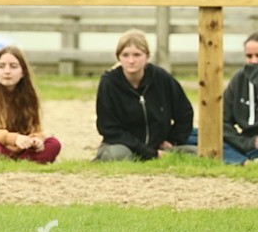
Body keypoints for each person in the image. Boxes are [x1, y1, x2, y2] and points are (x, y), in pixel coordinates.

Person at [93, 29, 195, 161]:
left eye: (137, 55)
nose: (131, 60)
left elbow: (185, 113)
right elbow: (109, 128)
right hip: (124, 145)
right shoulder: (109, 83)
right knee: (118, 155)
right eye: (125, 55)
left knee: (199, 153)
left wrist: (172, 140)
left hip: (159, 145)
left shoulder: (161, 78)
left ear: (147, 56)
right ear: (118, 57)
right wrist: (148, 153)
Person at [209, 31, 258, 165]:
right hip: (246, 142)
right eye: (249, 56)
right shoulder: (239, 79)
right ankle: (242, 160)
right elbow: (222, 121)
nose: (254, 61)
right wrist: (246, 143)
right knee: (199, 135)